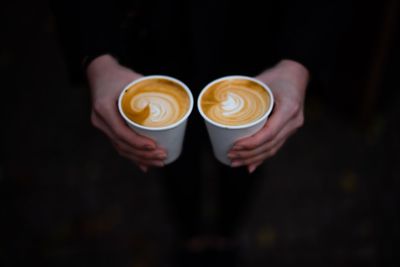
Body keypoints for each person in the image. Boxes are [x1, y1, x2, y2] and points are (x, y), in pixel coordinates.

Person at [51, 0, 349, 265]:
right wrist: (97, 56)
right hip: (157, 35)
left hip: (254, 33)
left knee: (250, 148)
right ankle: (189, 232)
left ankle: (227, 231)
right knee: (166, 153)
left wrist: (300, 59)